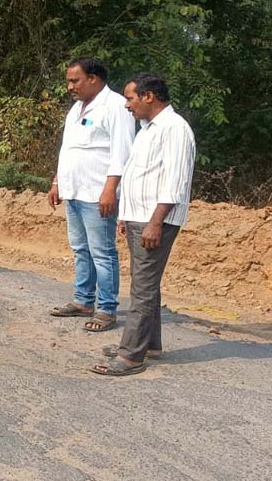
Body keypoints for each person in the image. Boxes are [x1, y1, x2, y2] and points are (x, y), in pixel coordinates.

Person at [92, 73, 195, 377]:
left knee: (143, 288)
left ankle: (130, 356)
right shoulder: (148, 129)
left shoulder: (175, 129)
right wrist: (125, 215)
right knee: (145, 284)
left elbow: (175, 182)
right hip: (139, 217)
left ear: (149, 96)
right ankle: (149, 344)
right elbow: (140, 174)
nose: (127, 105)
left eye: (130, 98)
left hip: (155, 220)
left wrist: (155, 222)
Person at [47, 57, 136, 332]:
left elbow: (123, 152)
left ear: (93, 79)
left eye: (75, 80)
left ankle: (106, 308)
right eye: (69, 81)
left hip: (98, 193)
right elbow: (68, 149)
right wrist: (57, 181)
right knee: (80, 249)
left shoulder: (115, 107)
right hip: (74, 190)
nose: (70, 87)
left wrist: (110, 190)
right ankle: (84, 300)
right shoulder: (76, 109)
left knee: (102, 251)